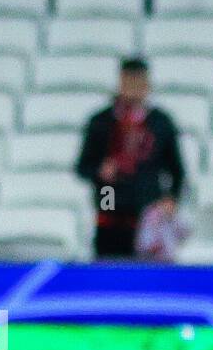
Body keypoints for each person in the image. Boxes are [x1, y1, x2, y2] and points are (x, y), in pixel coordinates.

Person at [77, 58, 186, 260]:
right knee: (109, 272)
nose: (134, 89)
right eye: (129, 82)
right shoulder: (102, 122)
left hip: (147, 211)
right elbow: (83, 166)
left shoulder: (160, 122)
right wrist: (100, 170)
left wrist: (171, 198)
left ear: (147, 85)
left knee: (149, 279)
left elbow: (177, 170)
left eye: (139, 83)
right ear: (120, 82)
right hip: (109, 198)